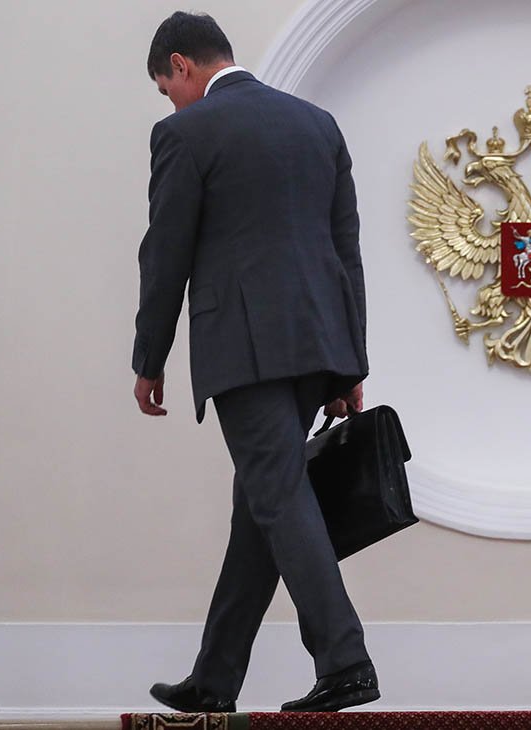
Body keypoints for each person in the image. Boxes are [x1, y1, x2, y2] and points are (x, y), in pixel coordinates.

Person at [132, 11, 380, 713]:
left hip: (244, 349)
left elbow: (165, 255)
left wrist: (149, 357)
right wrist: (350, 365)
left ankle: (346, 661)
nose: (170, 104)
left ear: (182, 66)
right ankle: (214, 678)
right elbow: (346, 250)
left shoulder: (185, 134)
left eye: (166, 89)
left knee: (276, 496)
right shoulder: (317, 125)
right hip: (318, 343)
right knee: (261, 506)